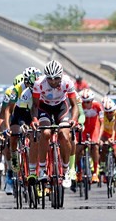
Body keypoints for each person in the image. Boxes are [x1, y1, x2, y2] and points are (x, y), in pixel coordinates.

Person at [29, 60, 79, 189]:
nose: (53, 81)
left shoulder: (67, 82)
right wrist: (34, 119)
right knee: (45, 133)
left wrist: (73, 119)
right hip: (44, 108)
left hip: (61, 108)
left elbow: (74, 106)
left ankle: (66, 169)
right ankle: (41, 168)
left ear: (61, 76)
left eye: (56, 78)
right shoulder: (39, 83)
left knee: (64, 134)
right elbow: (34, 106)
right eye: (50, 79)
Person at [76, 89, 103, 184]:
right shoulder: (80, 106)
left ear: (92, 101)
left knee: (95, 146)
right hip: (83, 128)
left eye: (88, 102)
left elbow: (102, 123)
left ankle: (95, 172)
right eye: (84, 102)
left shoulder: (98, 106)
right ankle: (79, 171)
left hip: (94, 128)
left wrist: (99, 138)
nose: (86, 104)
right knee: (78, 148)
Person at [99, 96, 116, 186]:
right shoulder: (103, 115)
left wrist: (112, 139)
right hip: (106, 134)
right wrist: (99, 139)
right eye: (107, 112)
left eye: (111, 112)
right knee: (103, 146)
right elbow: (101, 126)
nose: (109, 114)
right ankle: (103, 165)